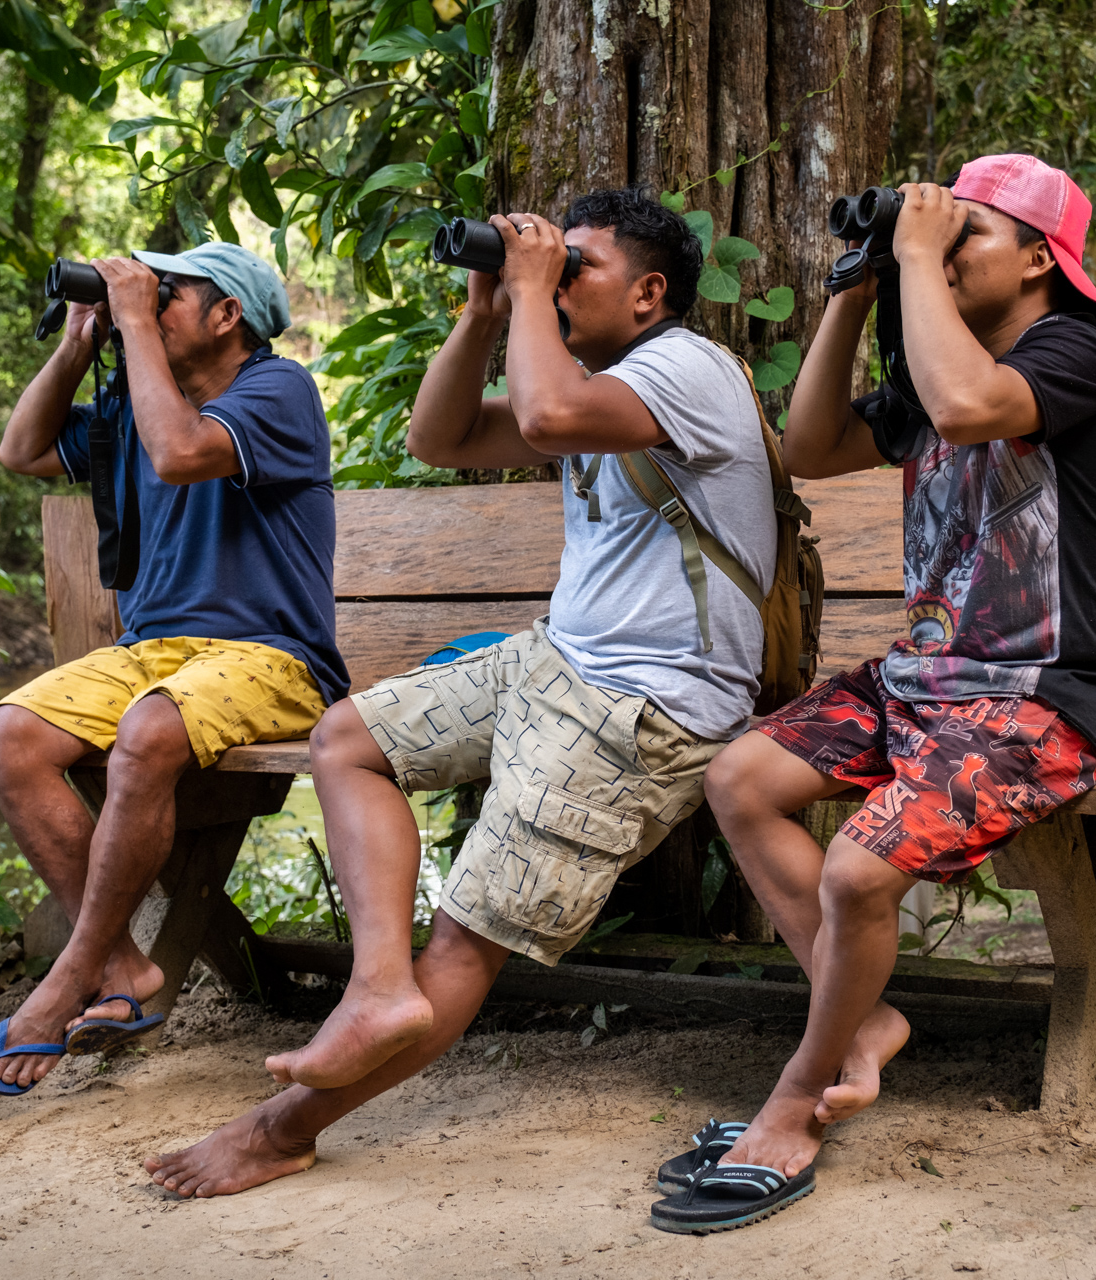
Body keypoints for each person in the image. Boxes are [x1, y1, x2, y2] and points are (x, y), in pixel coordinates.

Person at [140, 187, 778, 1196]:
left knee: (467, 935)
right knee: (348, 738)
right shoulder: (601, 385)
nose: (556, 285)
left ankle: (280, 1127)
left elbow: (544, 410)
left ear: (650, 293)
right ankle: (379, 985)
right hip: (555, 662)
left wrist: (528, 290)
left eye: (580, 269)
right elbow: (437, 439)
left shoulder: (684, 369)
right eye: (552, 268)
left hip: (645, 707)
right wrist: (485, 310)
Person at [658, 154, 1096, 1232]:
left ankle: (798, 1094)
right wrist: (855, 288)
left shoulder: (1069, 356)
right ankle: (865, 1022)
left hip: (1039, 702)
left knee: (858, 864)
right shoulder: (934, 369)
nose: (940, 243)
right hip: (917, 684)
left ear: (1037, 259)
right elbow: (809, 446)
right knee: (740, 775)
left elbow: (974, 407)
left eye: (967, 231)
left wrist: (917, 257)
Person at [0, 242, 349, 1095]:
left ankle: (70, 975)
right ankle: (126, 966)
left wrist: (132, 321)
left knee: (147, 728)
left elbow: (179, 452)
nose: (151, 302)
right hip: (154, 655)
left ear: (228, 316)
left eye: (170, 293)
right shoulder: (137, 405)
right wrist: (78, 342)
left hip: (273, 658)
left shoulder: (274, 391)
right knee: (9, 735)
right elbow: (22, 453)